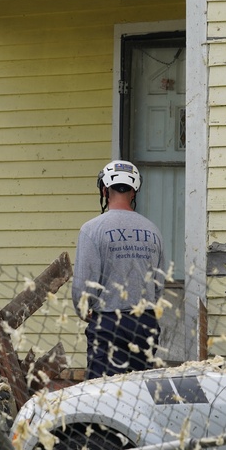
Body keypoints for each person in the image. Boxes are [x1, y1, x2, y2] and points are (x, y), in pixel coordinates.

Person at [72, 160, 166, 379]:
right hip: (145, 323)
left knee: (102, 392)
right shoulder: (152, 230)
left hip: (108, 324)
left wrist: (83, 309)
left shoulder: (92, 230)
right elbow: (158, 284)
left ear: (105, 189)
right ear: (134, 192)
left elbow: (83, 285)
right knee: (140, 389)